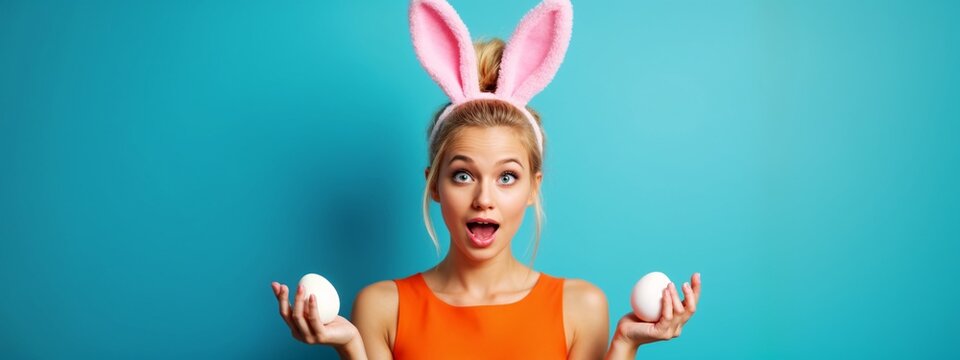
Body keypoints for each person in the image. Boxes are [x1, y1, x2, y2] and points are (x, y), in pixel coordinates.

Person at [270, 0, 701, 358]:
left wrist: (625, 345)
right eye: (462, 175)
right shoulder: (382, 308)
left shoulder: (580, 307)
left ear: (534, 187)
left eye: (507, 177)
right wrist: (350, 347)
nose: (484, 198)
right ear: (434, 185)